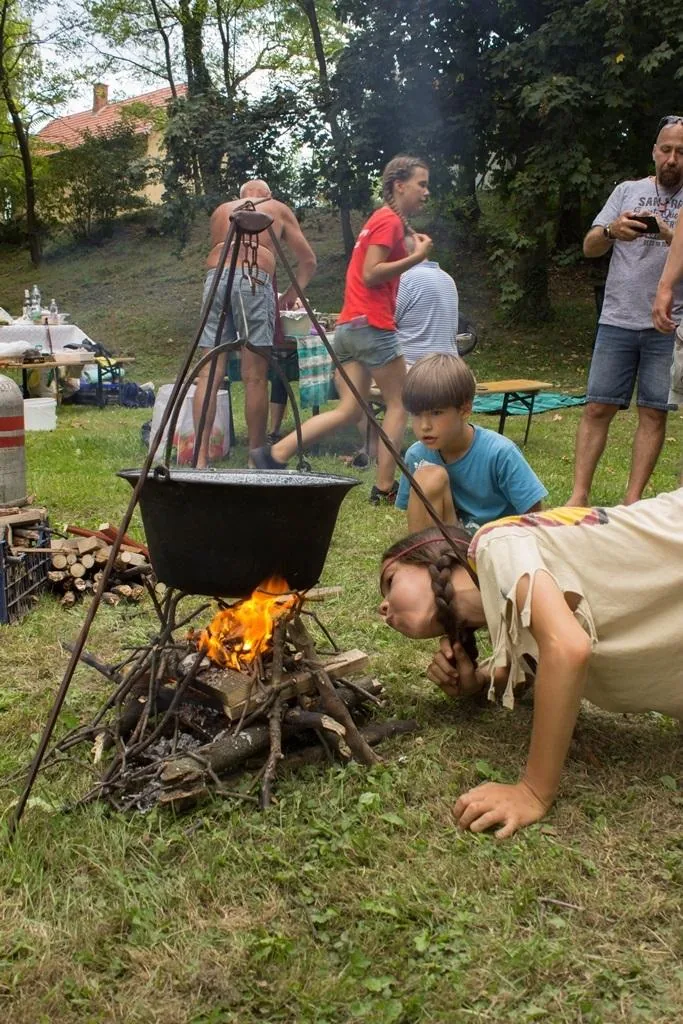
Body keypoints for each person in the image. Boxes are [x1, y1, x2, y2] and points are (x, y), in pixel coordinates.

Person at [379, 487, 683, 838]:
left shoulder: (495, 543)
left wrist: (533, 791)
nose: (383, 607)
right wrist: (478, 683)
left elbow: (568, 649)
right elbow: (543, 668)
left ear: (432, 554)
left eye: (390, 581)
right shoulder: (513, 623)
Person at [250, 154, 433, 504]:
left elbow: (375, 263)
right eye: (421, 184)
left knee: (349, 410)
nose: (426, 192)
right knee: (399, 404)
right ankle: (383, 487)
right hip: (372, 326)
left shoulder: (384, 221)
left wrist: (411, 246)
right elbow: (371, 272)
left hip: (350, 327)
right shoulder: (388, 221)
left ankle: (273, 455)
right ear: (399, 185)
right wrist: (417, 257)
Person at [566, 115, 683, 507]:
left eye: (681, 152)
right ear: (653, 152)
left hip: (669, 325)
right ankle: (578, 496)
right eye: (666, 150)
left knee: (653, 413)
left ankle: (631, 503)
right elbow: (589, 247)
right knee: (598, 406)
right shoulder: (626, 191)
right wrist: (612, 231)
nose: (672, 159)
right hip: (616, 317)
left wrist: (671, 236)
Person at [192, 179, 317, 468]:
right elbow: (308, 261)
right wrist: (289, 294)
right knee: (255, 376)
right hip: (253, 278)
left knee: (209, 372)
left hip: (215, 279)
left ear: (240, 196)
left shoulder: (220, 211)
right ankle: (255, 457)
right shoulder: (278, 208)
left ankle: (199, 459)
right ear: (268, 195)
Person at [395, 354, 547, 534]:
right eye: (416, 414)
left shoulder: (499, 452)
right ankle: (426, 560)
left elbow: (535, 517)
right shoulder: (416, 455)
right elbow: (416, 519)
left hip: (497, 546)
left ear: (465, 410)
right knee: (428, 477)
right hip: (449, 550)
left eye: (436, 413)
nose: (424, 426)